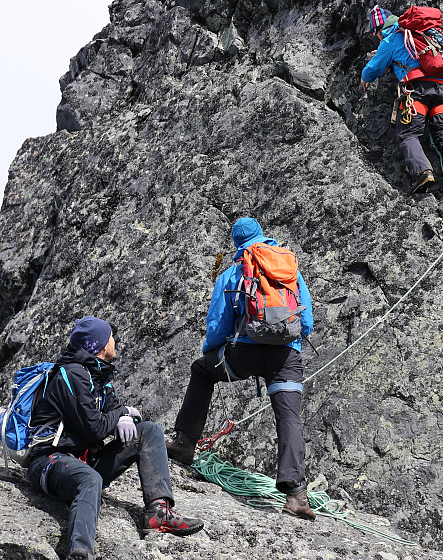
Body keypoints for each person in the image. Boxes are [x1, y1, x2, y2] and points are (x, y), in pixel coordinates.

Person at [166, 216, 316, 521]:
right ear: (263, 235)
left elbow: (218, 326)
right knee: (288, 417)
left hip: (242, 353)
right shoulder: (289, 269)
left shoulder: (233, 273)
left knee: (201, 371)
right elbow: (307, 323)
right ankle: (297, 495)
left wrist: (212, 353)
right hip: (285, 355)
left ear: (236, 243)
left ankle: (184, 443)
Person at [27, 316, 203, 560]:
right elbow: (95, 430)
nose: (114, 340)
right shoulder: (72, 375)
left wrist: (124, 417)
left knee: (149, 431)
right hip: (49, 462)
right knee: (89, 480)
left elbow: (114, 411)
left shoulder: (99, 377)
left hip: (84, 460)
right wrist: (121, 414)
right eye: (110, 336)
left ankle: (158, 513)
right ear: (99, 345)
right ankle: (80, 553)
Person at [361, 5, 443, 195]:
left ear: (380, 29)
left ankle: (423, 173)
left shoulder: (392, 38)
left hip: (417, 92)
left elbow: (373, 68)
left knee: (408, 135)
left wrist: (364, 79)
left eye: (375, 33)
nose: (376, 38)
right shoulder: (423, 33)